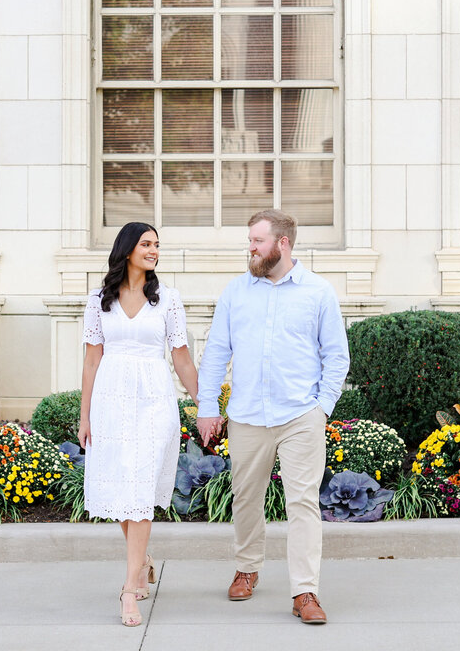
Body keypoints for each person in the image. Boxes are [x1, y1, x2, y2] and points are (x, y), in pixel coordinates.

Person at [196, 209, 350, 625]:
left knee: (303, 503)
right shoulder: (235, 292)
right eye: (249, 240)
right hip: (247, 415)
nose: (250, 248)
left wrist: (322, 408)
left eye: (257, 241)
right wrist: (208, 406)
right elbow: (215, 354)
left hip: (301, 414)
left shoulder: (318, 292)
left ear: (282, 243)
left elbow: (336, 356)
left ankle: (305, 591)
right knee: (246, 497)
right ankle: (247, 567)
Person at [78, 221, 199, 628]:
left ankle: (129, 590)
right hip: (110, 401)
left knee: (141, 491)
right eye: (146, 244)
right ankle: (143, 560)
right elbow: (92, 359)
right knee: (118, 489)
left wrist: (205, 402)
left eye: (157, 245)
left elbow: (180, 357)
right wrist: (85, 414)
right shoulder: (99, 300)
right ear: (127, 249)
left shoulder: (168, 299)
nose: (154, 250)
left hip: (153, 399)